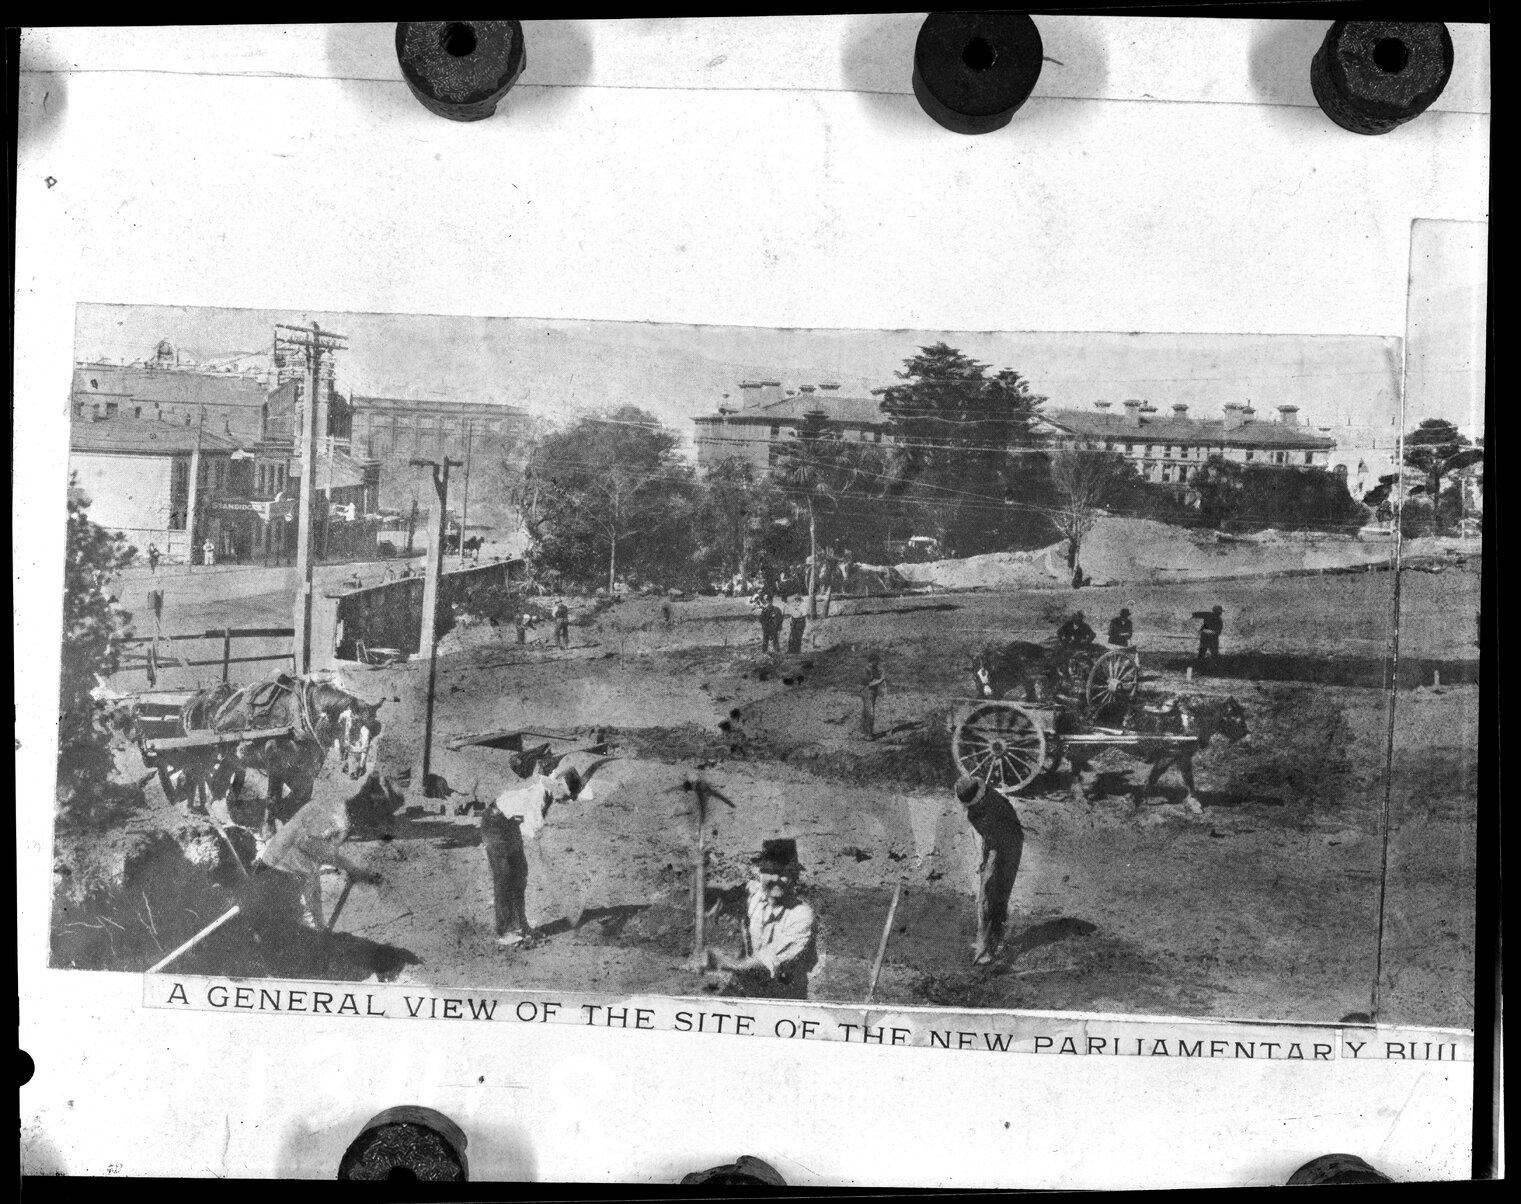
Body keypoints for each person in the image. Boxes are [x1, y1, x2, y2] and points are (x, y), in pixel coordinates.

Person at [240, 771, 396, 970]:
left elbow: (313, 865)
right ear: (369, 803)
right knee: (279, 945)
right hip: (275, 876)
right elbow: (308, 845)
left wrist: (320, 924)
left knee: (291, 938)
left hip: (286, 875)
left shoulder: (339, 814)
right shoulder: (335, 815)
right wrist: (350, 867)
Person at [481, 765, 585, 948]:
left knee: (519, 875)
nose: (566, 799)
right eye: (566, 794)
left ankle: (521, 926)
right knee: (505, 876)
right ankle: (505, 932)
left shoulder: (550, 790)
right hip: (495, 823)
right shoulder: (539, 796)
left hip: (510, 824)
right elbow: (532, 832)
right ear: (559, 784)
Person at [702, 838, 818, 1001]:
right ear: (760, 873)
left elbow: (767, 959)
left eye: (783, 873)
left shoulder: (801, 915)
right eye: (770, 872)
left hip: (782, 995)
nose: (775, 879)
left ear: (793, 876)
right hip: (747, 986)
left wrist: (726, 963)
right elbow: (719, 893)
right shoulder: (754, 894)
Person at [954, 776, 1025, 966]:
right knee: (987, 897)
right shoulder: (979, 807)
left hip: (1008, 846)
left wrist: (988, 869)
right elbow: (985, 837)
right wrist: (982, 859)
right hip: (995, 842)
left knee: (991, 896)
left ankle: (988, 948)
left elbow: (996, 843)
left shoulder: (994, 808)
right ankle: (987, 942)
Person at [860, 654, 885, 739]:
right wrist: (880, 680)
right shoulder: (866, 669)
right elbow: (867, 684)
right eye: (877, 661)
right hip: (867, 691)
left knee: (866, 711)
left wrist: (881, 675)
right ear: (872, 661)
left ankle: (864, 732)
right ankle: (868, 734)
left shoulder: (874, 668)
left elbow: (876, 678)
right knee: (870, 712)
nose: (878, 662)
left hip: (873, 692)